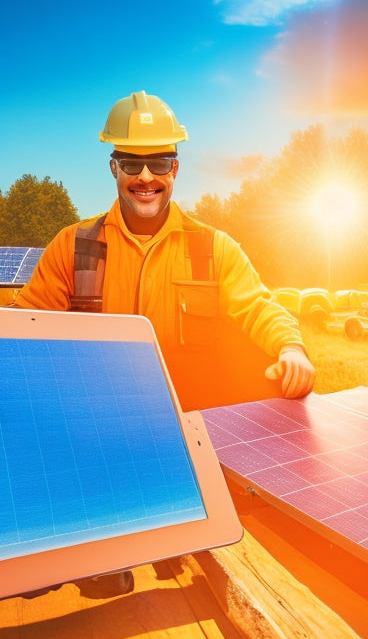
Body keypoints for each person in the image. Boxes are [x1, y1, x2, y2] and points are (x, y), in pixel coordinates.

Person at [14, 90, 315, 412]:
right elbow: (25, 324)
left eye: (158, 164)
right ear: (114, 168)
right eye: (132, 164)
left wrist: (291, 347)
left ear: (174, 169)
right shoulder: (71, 245)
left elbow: (258, 308)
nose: (145, 178)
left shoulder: (214, 249)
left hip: (188, 420)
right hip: (92, 415)